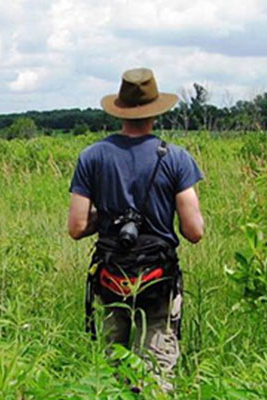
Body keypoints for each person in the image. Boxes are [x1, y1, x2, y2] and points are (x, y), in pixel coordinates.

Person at [67, 67, 204, 392]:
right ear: (155, 111)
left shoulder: (92, 157)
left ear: (121, 109)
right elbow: (194, 231)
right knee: (154, 374)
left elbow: (76, 227)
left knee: (112, 372)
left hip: (112, 277)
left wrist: (112, 216)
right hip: (158, 281)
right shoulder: (176, 158)